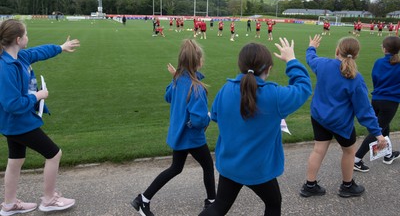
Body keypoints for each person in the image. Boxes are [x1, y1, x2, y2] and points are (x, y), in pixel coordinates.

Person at [199, 38, 312, 216]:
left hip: (231, 164)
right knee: (274, 204)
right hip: (258, 168)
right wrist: (291, 59)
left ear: (240, 65)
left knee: (219, 207)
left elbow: (215, 116)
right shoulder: (274, 95)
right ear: (269, 69)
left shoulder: (226, 89)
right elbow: (304, 87)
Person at [0, 19, 79, 215]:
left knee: (15, 161)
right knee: (54, 154)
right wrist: (37, 95)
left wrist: (61, 47)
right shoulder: (6, 67)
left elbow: (40, 52)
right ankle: (49, 199)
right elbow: (12, 104)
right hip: (19, 123)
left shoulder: (20, 57)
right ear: (18, 39)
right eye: (26, 34)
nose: (28, 38)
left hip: (16, 124)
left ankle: (9, 205)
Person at [131, 39, 216, 216]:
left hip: (179, 135)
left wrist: (175, 77)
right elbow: (199, 120)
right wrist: (208, 117)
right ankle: (212, 202)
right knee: (207, 166)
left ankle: (143, 200)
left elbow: (168, 97)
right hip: (192, 137)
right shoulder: (197, 88)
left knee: (176, 168)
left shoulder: (178, 81)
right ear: (198, 62)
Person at [300, 35, 387, 198]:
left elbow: (310, 58)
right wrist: (379, 134)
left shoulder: (323, 65)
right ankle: (347, 186)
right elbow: (365, 112)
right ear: (356, 55)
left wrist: (311, 46)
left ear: (337, 51)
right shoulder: (356, 79)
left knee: (318, 151)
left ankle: (309, 186)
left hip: (319, 117)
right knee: (349, 152)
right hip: (340, 123)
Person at [353, 36, 400, 172]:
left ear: (384, 49)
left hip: (377, 99)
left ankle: (388, 154)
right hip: (390, 102)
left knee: (384, 126)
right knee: (377, 130)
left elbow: (375, 78)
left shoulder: (379, 62)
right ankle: (356, 159)